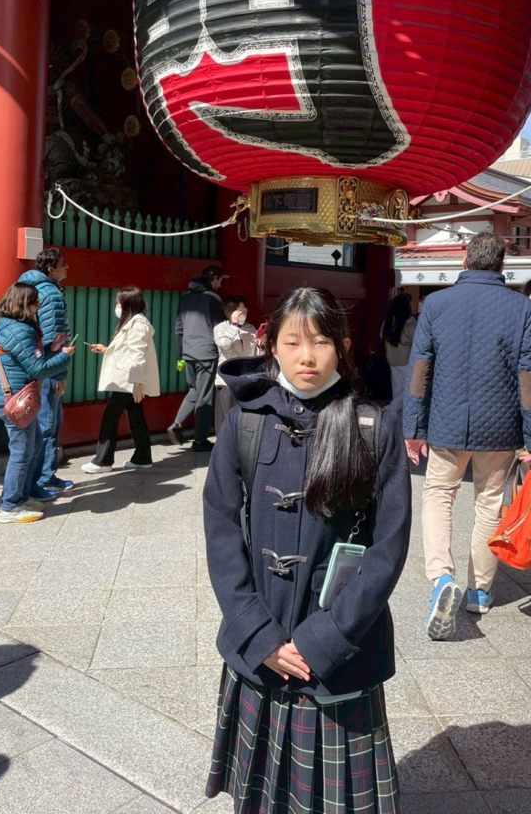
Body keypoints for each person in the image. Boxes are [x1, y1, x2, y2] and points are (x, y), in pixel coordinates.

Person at [204, 287, 410, 813]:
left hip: (340, 645)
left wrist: (325, 639)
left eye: (320, 341)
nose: (307, 357)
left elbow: (388, 547)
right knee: (260, 793)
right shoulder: (246, 420)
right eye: (293, 342)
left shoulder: (374, 427)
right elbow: (221, 528)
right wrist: (256, 632)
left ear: (343, 347)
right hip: (262, 637)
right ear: (271, 346)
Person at [403, 231, 531, 639]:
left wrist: (413, 428)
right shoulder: (521, 308)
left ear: (465, 261)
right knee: (489, 502)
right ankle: (479, 591)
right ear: (502, 265)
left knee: (438, 494)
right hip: (500, 428)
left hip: (445, 422)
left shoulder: (436, 304)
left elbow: (420, 370)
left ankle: (441, 577)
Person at [0, 283, 72, 524]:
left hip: (4, 397)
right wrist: (63, 357)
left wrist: (50, 348)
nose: (38, 307)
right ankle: (9, 506)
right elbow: (37, 369)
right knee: (21, 453)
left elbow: (25, 358)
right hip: (15, 400)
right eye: (35, 302)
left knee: (34, 444)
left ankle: (22, 496)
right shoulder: (20, 330)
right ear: (24, 303)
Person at [81, 287, 161, 473]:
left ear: (127, 304)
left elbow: (137, 355)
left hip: (128, 381)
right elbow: (128, 351)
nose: (116, 306)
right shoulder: (134, 323)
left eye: (118, 303)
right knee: (136, 417)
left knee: (111, 418)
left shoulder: (138, 325)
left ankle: (103, 461)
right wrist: (106, 349)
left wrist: (137, 383)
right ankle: (142, 457)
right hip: (129, 379)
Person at [20, 248, 74, 493]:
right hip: (47, 367)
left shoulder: (27, 287)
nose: (67, 267)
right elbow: (54, 336)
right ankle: (42, 478)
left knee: (43, 423)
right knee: (48, 424)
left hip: (31, 363)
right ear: (51, 269)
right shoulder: (51, 293)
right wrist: (59, 374)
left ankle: (40, 477)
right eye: (63, 264)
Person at [168, 264, 227, 452]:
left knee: (194, 390)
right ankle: (200, 440)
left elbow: (178, 329)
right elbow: (220, 327)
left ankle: (177, 423)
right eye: (220, 280)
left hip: (188, 353)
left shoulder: (185, 298)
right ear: (214, 279)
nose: (220, 284)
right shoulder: (213, 299)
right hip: (206, 353)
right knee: (205, 397)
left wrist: (180, 355)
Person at [213, 295, 256, 434]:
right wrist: (235, 325)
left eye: (245, 310)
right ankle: (223, 443)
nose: (243, 314)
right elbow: (223, 344)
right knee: (227, 417)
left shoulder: (250, 328)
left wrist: (262, 343)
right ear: (229, 312)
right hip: (226, 380)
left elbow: (255, 354)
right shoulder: (220, 328)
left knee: (243, 417)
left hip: (246, 380)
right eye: (239, 311)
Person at [380, 291, 416, 405]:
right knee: (407, 391)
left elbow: (381, 336)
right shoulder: (410, 324)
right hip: (406, 362)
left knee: (396, 390)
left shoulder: (387, 322)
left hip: (392, 361)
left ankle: (394, 411)